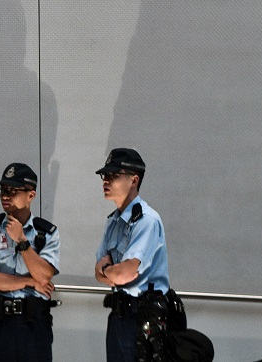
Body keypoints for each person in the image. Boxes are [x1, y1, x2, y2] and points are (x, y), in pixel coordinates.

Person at [0, 162, 60, 362]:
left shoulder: (46, 233)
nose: (5, 196)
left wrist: (22, 240)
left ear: (31, 195)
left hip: (34, 322)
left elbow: (45, 276)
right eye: (2, 190)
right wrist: (29, 282)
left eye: (13, 190)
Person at [94, 148, 170, 362]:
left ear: (134, 180)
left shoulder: (146, 220)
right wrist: (110, 272)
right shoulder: (113, 221)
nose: (105, 181)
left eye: (113, 176)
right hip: (118, 315)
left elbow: (123, 274)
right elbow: (97, 273)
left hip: (143, 317)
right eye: (104, 176)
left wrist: (107, 269)